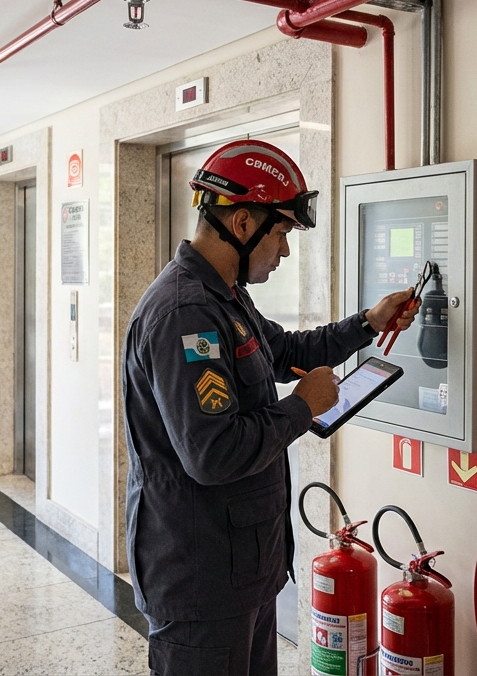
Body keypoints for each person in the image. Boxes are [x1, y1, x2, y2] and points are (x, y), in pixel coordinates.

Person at [121, 140, 417, 676]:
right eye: (280, 234)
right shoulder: (185, 312)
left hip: (241, 573)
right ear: (241, 223)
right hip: (200, 582)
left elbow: (286, 352)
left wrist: (369, 323)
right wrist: (301, 409)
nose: (282, 251)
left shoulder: (225, 298)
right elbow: (213, 453)